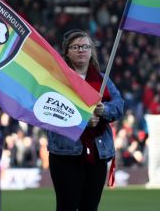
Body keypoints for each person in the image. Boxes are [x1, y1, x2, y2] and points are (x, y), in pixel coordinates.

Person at [47, 30, 124, 211]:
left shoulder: (103, 79)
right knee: (66, 206)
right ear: (67, 52)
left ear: (91, 51)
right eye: (76, 47)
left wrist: (104, 110)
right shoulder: (57, 81)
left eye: (85, 46)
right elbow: (48, 111)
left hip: (98, 153)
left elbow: (119, 106)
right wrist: (81, 120)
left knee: (90, 207)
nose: (81, 50)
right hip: (65, 153)